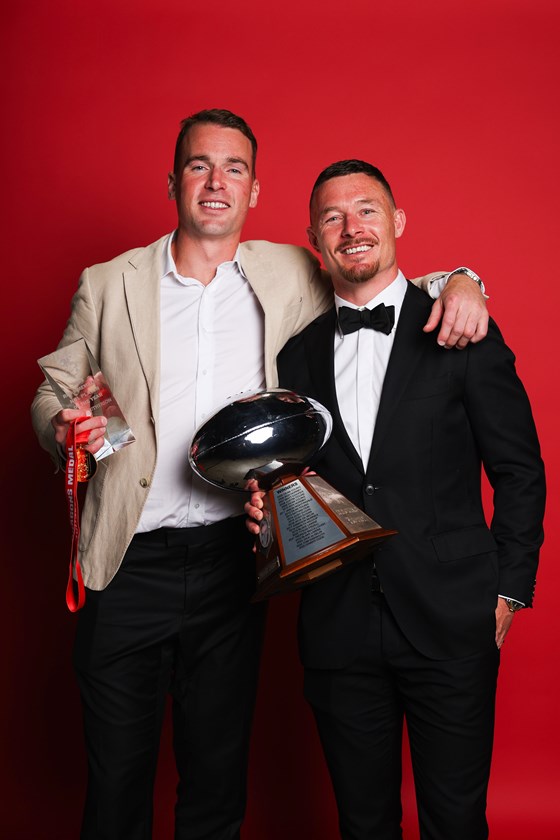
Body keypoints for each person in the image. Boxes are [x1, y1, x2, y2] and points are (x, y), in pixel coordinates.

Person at [31, 110, 488, 840]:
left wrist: (464, 280)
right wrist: (62, 427)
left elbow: (375, 275)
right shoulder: (107, 282)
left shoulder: (287, 270)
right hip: (126, 561)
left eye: (234, 168)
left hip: (232, 562)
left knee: (216, 777)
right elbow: (54, 387)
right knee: (116, 781)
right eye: (199, 166)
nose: (216, 183)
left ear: (254, 190)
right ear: (174, 181)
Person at [247, 159, 545, 840]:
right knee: (363, 822)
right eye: (333, 217)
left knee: (456, 820)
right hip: (338, 627)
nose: (352, 228)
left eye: (368, 210)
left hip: (452, 619)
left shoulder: (461, 324)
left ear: (398, 222)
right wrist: (267, 512)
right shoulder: (292, 359)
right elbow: (293, 482)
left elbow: (520, 469)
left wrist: (508, 592)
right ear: (314, 239)